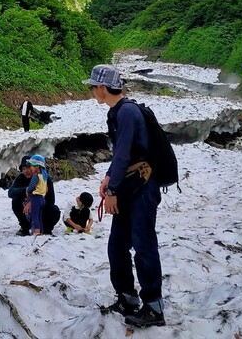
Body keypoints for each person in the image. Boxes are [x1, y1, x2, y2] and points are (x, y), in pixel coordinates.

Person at [85, 64, 165, 328]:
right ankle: (127, 298)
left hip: (141, 187)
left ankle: (153, 307)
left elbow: (123, 155)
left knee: (143, 246)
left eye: (93, 87)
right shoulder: (119, 111)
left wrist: (111, 190)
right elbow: (122, 154)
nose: (92, 91)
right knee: (117, 245)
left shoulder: (127, 112)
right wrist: (109, 179)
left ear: (102, 88)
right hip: (130, 185)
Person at [8, 156, 60, 236]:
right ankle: (25, 227)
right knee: (15, 201)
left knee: (55, 210)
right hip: (27, 211)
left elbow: (51, 200)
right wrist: (25, 190)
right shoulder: (21, 178)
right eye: (24, 169)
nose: (26, 171)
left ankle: (46, 229)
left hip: (42, 210)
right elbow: (10, 193)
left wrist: (33, 202)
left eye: (28, 168)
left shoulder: (45, 178)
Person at [25, 154, 48, 235]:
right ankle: (40, 231)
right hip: (42, 198)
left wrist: (27, 191)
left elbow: (31, 187)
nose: (30, 168)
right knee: (39, 216)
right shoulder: (44, 176)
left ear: (37, 166)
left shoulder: (36, 176)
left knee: (35, 217)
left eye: (31, 166)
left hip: (36, 198)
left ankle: (36, 232)